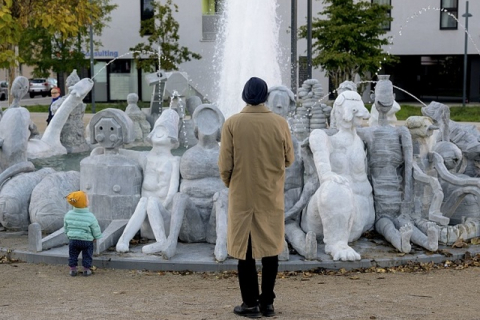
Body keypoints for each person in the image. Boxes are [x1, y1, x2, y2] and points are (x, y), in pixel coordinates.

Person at [218, 77, 294, 318]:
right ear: (265, 96)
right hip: (270, 194)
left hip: (242, 195)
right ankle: (268, 303)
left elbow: (224, 165)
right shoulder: (280, 123)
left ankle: (249, 303)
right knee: (271, 248)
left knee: (246, 250)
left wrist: (233, 184)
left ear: (244, 95)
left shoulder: (232, 123)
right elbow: (289, 159)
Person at [64, 190, 102, 277]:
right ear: (84, 202)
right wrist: (97, 237)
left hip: (73, 239)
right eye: (87, 199)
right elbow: (95, 228)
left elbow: (66, 226)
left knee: (72, 254)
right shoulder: (90, 216)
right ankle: (86, 269)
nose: (88, 201)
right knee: (87, 254)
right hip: (87, 240)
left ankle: (73, 270)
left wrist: (68, 234)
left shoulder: (68, 214)